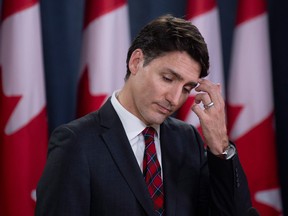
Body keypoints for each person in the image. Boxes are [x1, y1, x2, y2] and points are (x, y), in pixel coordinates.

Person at [35, 14, 252, 216]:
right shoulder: (76, 143)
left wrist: (220, 147)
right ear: (136, 62)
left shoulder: (188, 140)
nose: (175, 99)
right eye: (168, 78)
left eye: (187, 88)